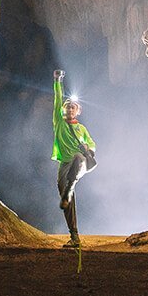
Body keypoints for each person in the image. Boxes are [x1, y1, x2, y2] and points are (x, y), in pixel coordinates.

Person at [51, 69, 96, 247]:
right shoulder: (59, 123)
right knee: (66, 200)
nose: (70, 109)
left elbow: (92, 144)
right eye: (68, 106)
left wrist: (88, 148)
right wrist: (57, 81)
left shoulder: (81, 129)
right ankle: (74, 235)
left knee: (78, 157)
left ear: (78, 111)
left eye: (73, 107)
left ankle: (70, 186)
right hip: (65, 165)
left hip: (80, 163)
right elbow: (57, 99)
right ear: (64, 110)